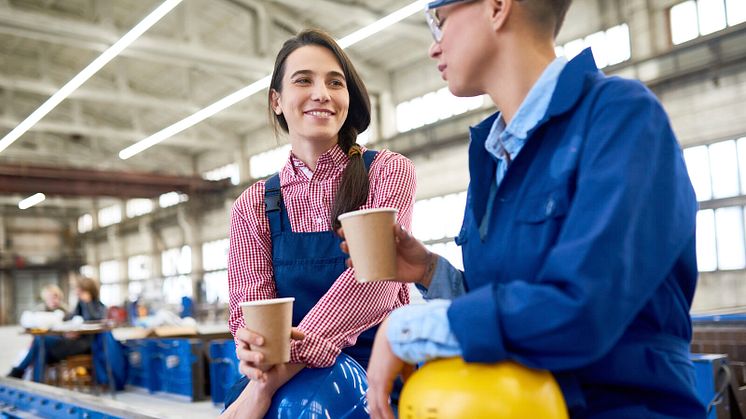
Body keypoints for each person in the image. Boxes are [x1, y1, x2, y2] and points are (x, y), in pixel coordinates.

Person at [347, 1, 705, 418]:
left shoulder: (621, 118)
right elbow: (511, 313)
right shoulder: (493, 157)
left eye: (439, 21)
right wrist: (431, 272)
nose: (433, 47)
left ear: (498, 7)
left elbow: (582, 309)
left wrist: (412, 327)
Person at [222, 29, 416, 418]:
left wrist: (282, 366)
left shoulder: (387, 172)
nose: (322, 93)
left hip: (378, 373)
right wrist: (257, 352)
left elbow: (374, 284)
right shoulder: (254, 204)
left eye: (335, 82)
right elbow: (250, 308)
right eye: (303, 80)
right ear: (276, 101)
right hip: (282, 378)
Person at [7, 277, 106, 380]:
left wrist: (87, 302)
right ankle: (33, 382)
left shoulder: (99, 307)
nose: (77, 293)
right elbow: (70, 319)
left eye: (80, 291)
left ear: (88, 290)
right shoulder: (79, 304)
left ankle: (20, 372)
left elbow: (92, 320)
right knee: (41, 345)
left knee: (41, 342)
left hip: (83, 345)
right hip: (71, 341)